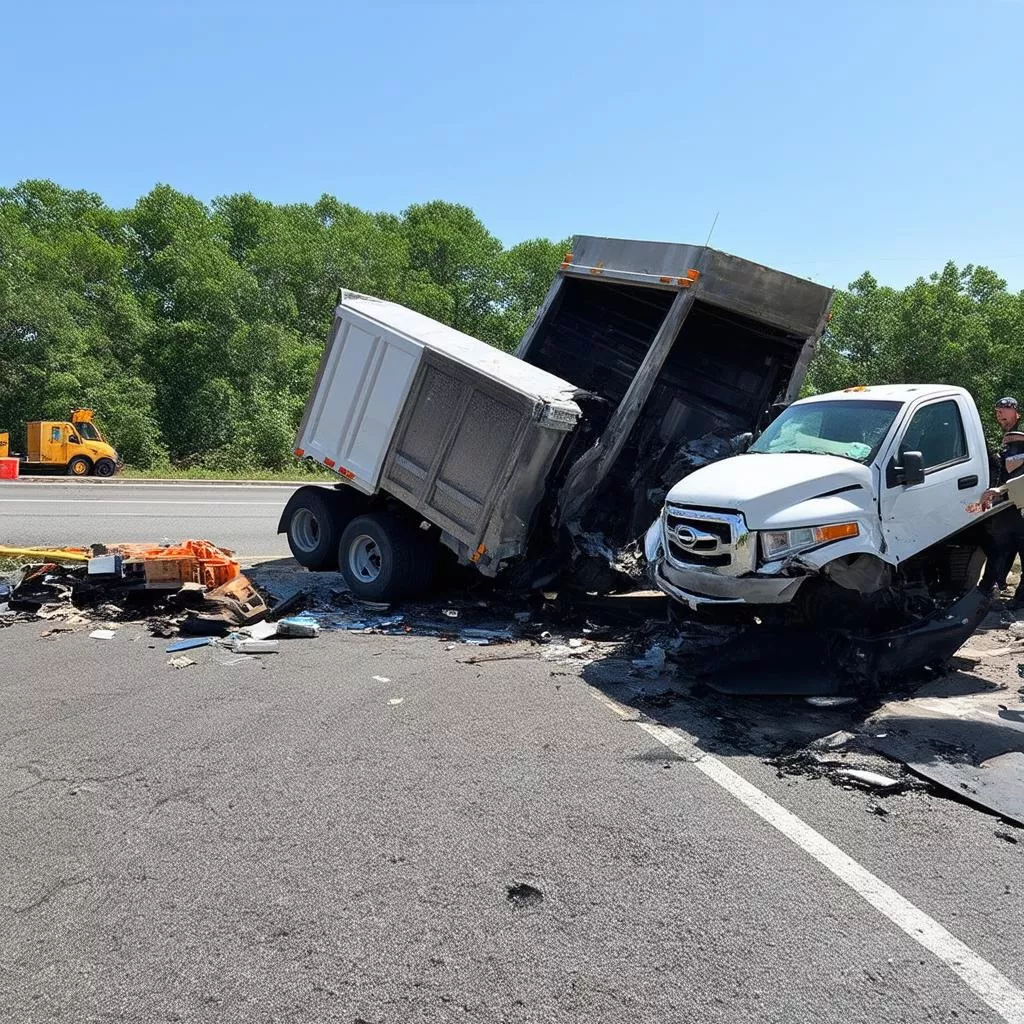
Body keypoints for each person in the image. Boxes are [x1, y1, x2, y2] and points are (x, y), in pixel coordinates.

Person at [980, 397, 1024, 603]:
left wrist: (1000, 489)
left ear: (1016, 413)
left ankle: (1019, 598)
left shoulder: (1020, 439)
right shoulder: (1006, 442)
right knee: (999, 549)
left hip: (1019, 505)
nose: (1000, 415)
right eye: (997, 411)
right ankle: (989, 590)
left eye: (1004, 410)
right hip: (1005, 507)